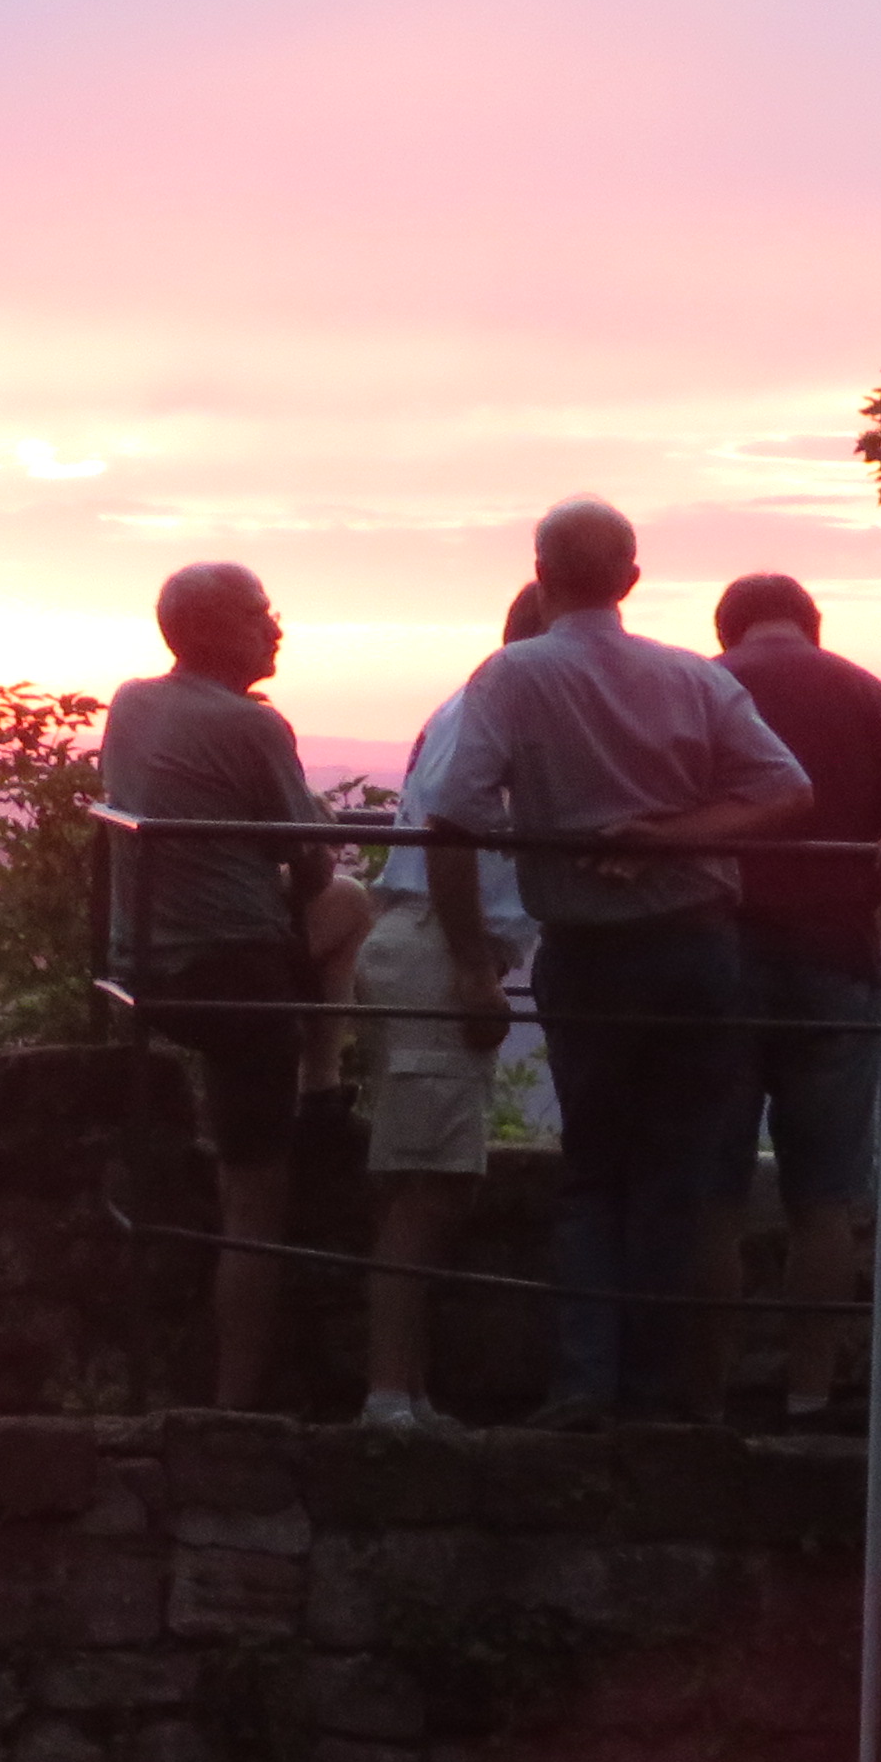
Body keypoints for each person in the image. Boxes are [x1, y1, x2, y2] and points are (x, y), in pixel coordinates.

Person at [414, 499, 809, 1426]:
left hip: (588, 954)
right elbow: (787, 791)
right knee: (680, 1173)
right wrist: (676, 836)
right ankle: (662, 1396)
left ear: (541, 575)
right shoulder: (691, 677)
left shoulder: (512, 676)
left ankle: (587, 1386)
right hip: (698, 949)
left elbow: (453, 816)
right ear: (632, 578)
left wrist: (471, 962)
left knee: (594, 1171)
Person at [99, 559, 347, 1410]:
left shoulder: (132, 703)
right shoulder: (253, 726)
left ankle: (321, 1085)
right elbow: (311, 866)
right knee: (254, 1205)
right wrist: (312, 831)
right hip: (236, 976)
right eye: (258, 613)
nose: (276, 627)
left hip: (145, 960)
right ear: (211, 629)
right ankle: (235, 1408)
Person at [707, 575, 881, 1429]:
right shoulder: (868, 696)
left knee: (712, 1191)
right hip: (836, 961)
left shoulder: (704, 688)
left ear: (726, 629)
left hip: (720, 960)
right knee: (824, 1196)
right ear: (812, 624)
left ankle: (704, 1392)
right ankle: (811, 1393)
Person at [346, 587, 553, 1437]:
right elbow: (449, 837)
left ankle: (409, 1392)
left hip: (425, 944)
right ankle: (389, 1396)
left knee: (430, 1176)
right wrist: (472, 967)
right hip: (437, 950)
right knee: (425, 1186)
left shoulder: (471, 707)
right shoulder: (492, 711)